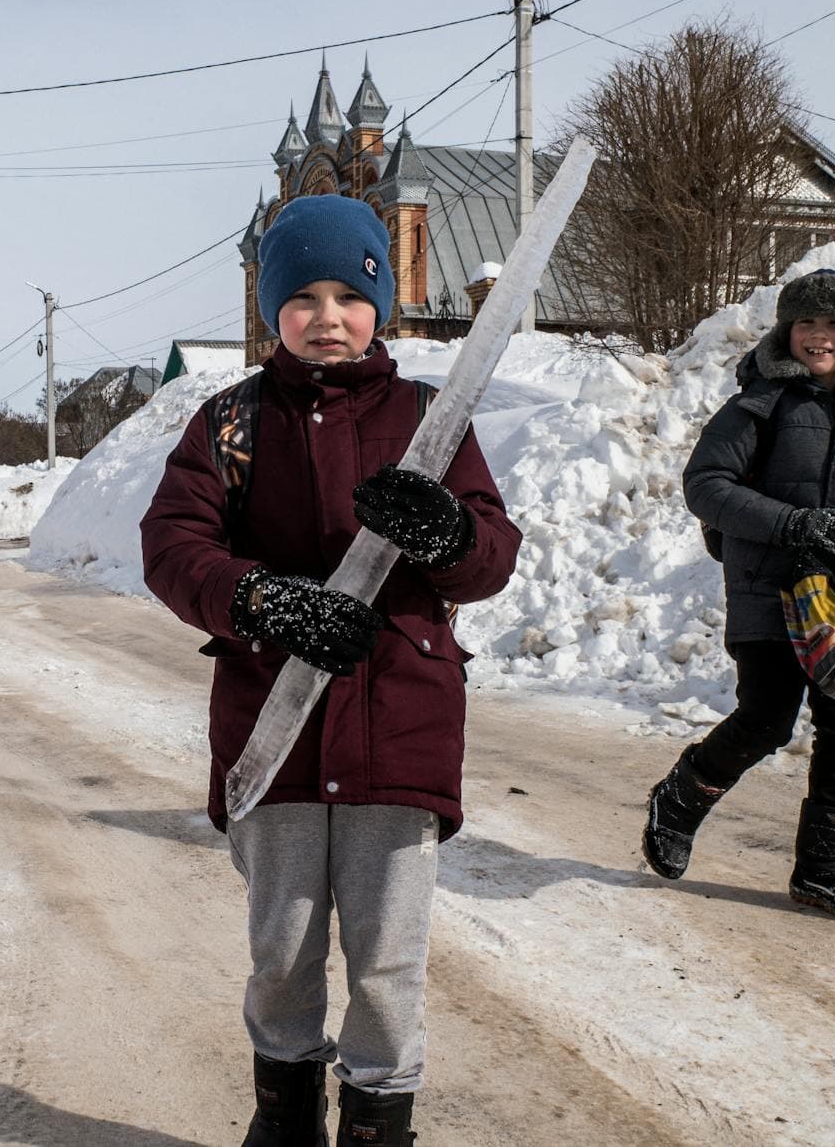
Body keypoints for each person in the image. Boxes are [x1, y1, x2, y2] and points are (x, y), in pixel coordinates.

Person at [140, 194, 521, 1146]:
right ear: (273, 310)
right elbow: (173, 545)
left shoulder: (431, 417)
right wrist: (262, 601)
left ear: (379, 303)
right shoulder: (230, 423)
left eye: (348, 294)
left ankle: (381, 1125)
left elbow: (492, 551)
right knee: (283, 953)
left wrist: (449, 536)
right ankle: (285, 1120)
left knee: (390, 961)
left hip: (400, 730)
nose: (326, 316)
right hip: (278, 735)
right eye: (301, 296)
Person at [649, 269, 835, 923]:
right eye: (806, 323)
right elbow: (706, 483)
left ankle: (824, 871)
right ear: (787, 329)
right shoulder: (761, 401)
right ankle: (681, 798)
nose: (820, 337)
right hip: (768, 588)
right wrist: (795, 523)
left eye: (834, 324)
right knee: (767, 718)